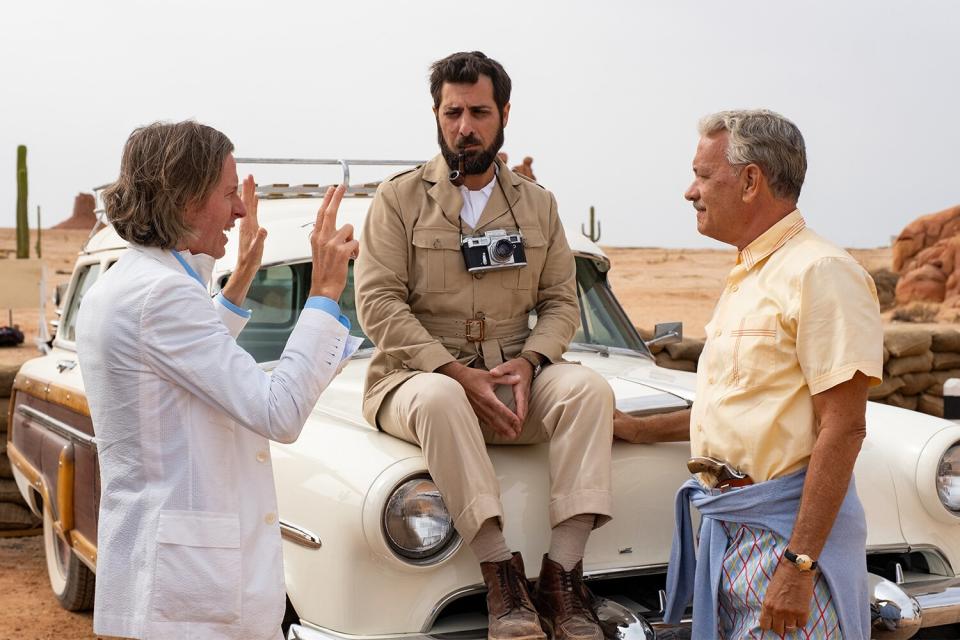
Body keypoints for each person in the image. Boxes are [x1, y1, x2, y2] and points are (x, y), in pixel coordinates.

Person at [355, 51, 613, 640]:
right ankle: (500, 574)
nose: (464, 127)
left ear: (503, 115)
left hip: (511, 374)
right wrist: (452, 370)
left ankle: (563, 577)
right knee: (442, 398)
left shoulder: (537, 204)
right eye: (452, 113)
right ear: (436, 114)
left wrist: (529, 360)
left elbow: (560, 302)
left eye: (478, 112)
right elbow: (378, 304)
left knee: (589, 391)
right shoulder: (398, 200)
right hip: (413, 379)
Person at [77, 120, 359, 639]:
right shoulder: (161, 295)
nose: (240, 210)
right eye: (228, 194)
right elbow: (278, 411)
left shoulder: (131, 281)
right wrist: (324, 290)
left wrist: (241, 279)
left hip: (172, 580)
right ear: (185, 199)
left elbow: (180, 372)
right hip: (191, 592)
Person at [619, 110, 883, 639]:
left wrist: (799, 566)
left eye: (702, 174)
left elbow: (843, 427)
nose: (689, 192)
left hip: (785, 539)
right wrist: (638, 429)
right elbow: (747, 406)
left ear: (749, 180)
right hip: (733, 531)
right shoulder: (749, 276)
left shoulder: (821, 272)